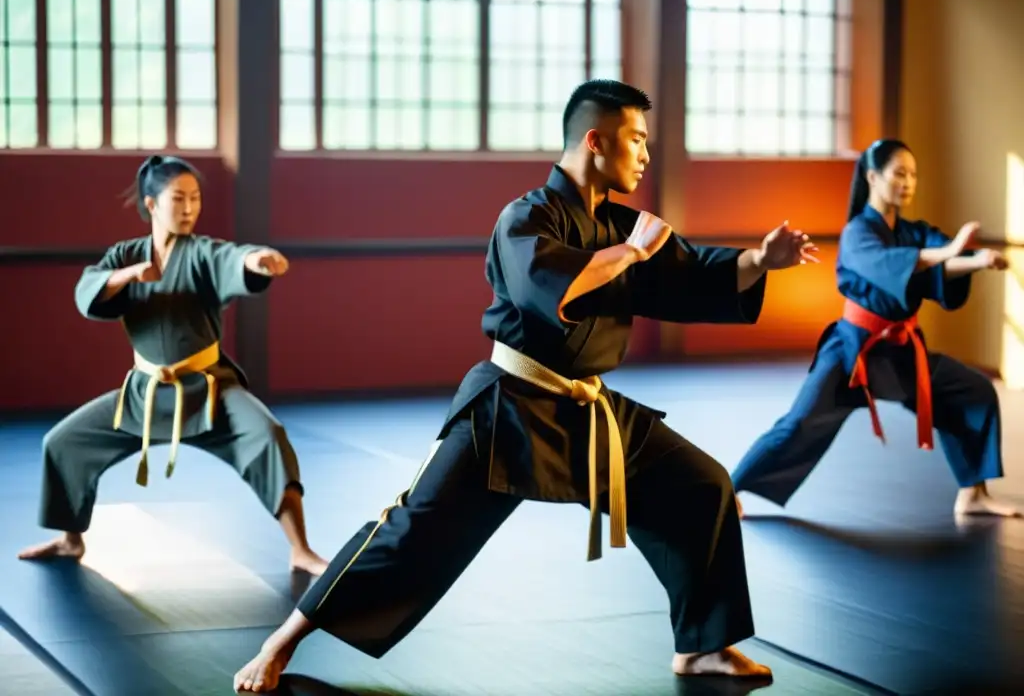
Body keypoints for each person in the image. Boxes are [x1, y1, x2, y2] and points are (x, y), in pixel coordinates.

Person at [233, 79, 818, 693]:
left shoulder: (620, 224)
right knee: (414, 533)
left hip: (587, 409)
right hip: (508, 409)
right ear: (595, 140)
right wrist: (630, 254)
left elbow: (691, 275)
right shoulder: (526, 216)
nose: (646, 154)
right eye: (637, 140)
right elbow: (556, 290)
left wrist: (758, 261)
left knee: (700, 485)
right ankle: (280, 644)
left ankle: (703, 648)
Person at [17, 154, 329, 576]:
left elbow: (232, 259)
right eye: (178, 199)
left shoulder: (201, 253)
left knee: (267, 435)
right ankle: (71, 540)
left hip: (210, 390)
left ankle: (300, 549)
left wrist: (256, 261)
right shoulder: (125, 255)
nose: (188, 209)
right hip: (144, 394)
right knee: (64, 442)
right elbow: (87, 291)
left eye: (195, 199)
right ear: (151, 204)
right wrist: (128, 276)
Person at [731, 139, 1018, 520]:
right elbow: (897, 264)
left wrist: (976, 260)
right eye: (899, 173)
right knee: (798, 424)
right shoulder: (856, 234)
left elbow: (941, 261)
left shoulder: (915, 232)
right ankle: (729, 490)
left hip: (902, 353)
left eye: (913, 175)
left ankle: (974, 493)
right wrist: (952, 254)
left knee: (972, 391)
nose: (908, 182)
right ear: (872, 177)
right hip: (852, 353)